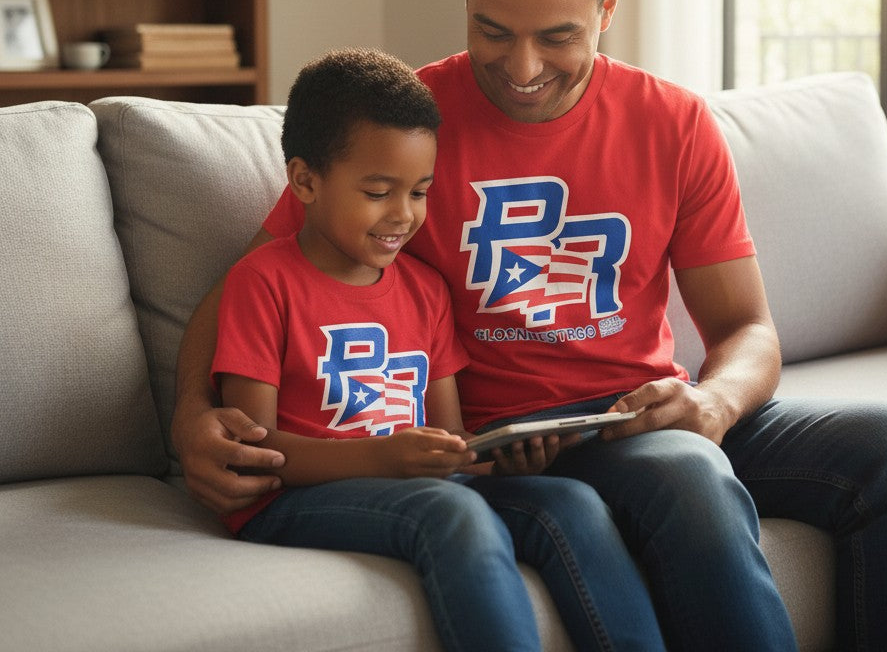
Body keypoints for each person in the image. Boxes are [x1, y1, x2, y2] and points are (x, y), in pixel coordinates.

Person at [176, 0, 887, 651]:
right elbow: (254, 282)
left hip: (638, 414)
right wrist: (190, 417)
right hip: (504, 442)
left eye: (556, 37)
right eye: (492, 30)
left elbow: (748, 329)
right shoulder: (403, 131)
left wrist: (714, 404)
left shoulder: (674, 125)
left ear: (607, 7)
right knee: (687, 475)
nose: (521, 67)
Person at [210, 46, 665, 652]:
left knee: (572, 503)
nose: (403, 215)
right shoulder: (262, 283)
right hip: (292, 499)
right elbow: (255, 455)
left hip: (416, 483)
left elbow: (454, 445)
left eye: (420, 192)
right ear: (305, 182)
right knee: (454, 513)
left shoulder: (426, 291)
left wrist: (504, 460)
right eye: (379, 192)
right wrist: (383, 458)